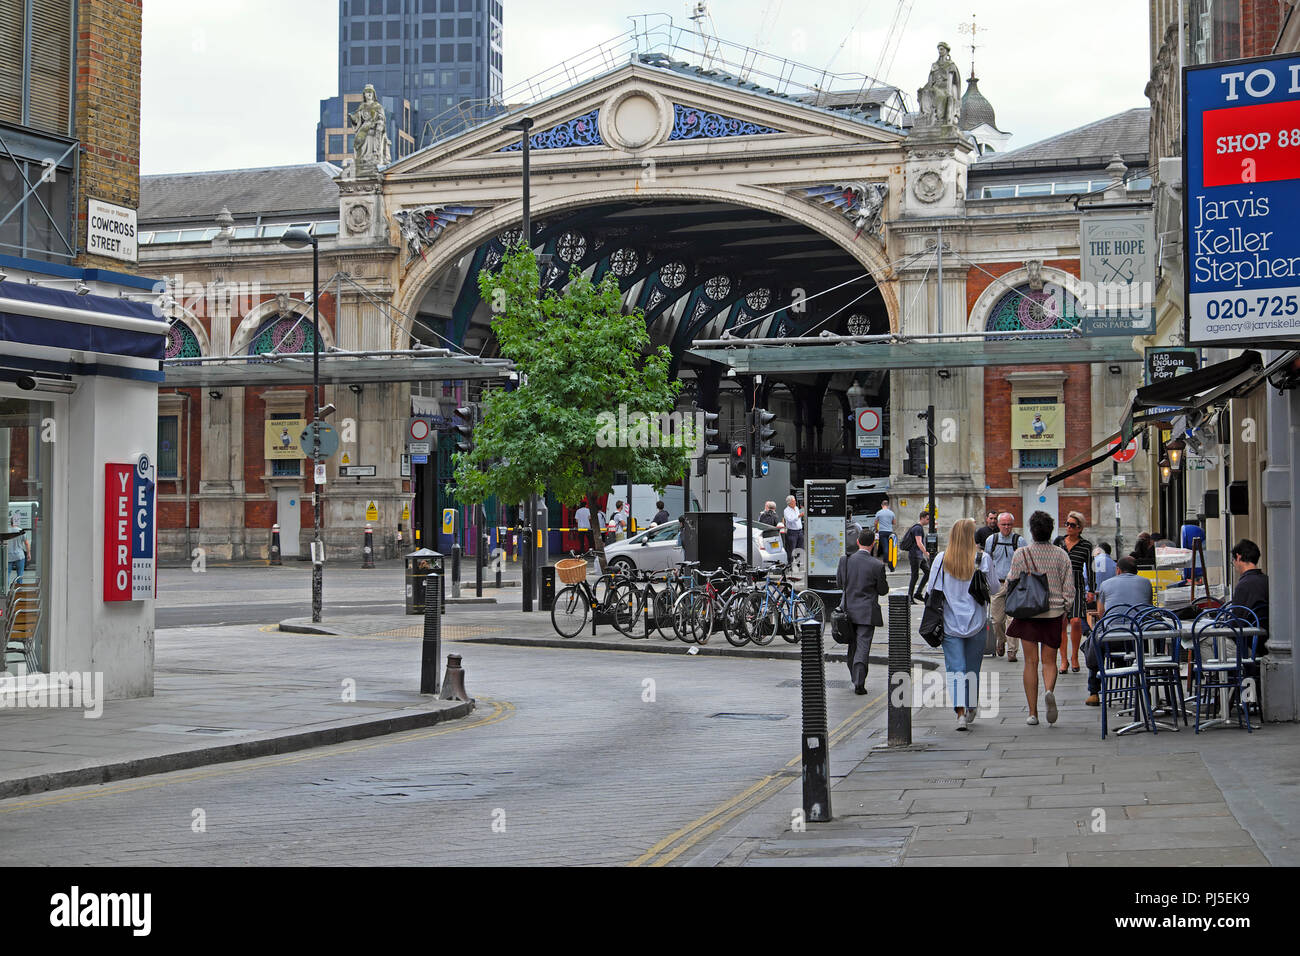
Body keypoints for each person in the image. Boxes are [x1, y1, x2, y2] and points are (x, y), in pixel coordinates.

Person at [1003, 510, 1075, 726]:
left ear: (1032, 531)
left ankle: (1032, 713)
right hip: (1053, 613)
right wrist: (1065, 609)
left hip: (1028, 613)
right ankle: (1049, 691)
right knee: (1050, 661)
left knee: (1030, 663)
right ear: (1050, 530)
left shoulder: (1021, 553)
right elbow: (1069, 589)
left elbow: (1011, 583)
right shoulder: (1062, 555)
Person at [930, 518, 996, 732]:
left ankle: (960, 714)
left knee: (955, 669)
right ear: (971, 536)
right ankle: (971, 706)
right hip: (976, 622)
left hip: (949, 623)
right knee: (972, 669)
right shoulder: (982, 558)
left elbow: (932, 590)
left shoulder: (941, 559)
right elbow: (994, 588)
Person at [1084, 556, 1154, 705]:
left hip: (1113, 640)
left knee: (1095, 640)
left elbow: (1102, 614)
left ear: (1118, 570)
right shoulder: (1146, 583)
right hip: (1140, 640)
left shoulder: (1105, 584)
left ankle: (1094, 692)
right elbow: (1148, 610)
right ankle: (1143, 686)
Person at [836, 528, 890, 695]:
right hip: (867, 612)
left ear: (858, 542)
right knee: (863, 646)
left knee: (852, 647)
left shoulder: (845, 560)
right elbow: (882, 590)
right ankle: (859, 681)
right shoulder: (877, 565)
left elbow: (840, 584)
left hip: (848, 611)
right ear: (873, 544)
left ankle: (855, 677)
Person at [1053, 511, 1095, 675]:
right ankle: (1063, 660)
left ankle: (1075, 656)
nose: (1068, 527)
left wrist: (1091, 589)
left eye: (1072, 525)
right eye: (1067, 524)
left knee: (1076, 621)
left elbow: (1091, 569)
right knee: (1061, 623)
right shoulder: (1059, 542)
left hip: (1077, 585)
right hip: (1058, 586)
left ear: (1080, 528)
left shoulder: (1086, 545)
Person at [984, 511, 1027, 661]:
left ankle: (1012, 650)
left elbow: (1025, 562)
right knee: (996, 620)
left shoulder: (1020, 541)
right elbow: (987, 561)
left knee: (1012, 619)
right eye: (1004, 524)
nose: (1006, 527)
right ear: (998, 524)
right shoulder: (991, 540)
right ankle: (1001, 640)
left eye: (1009, 524)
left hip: (1015, 585)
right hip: (997, 583)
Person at [1230, 539, 1269, 652]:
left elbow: (1236, 624)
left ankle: (1226, 670)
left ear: (1238, 557)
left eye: (1233, 560)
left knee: (1204, 639)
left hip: (1249, 646)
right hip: (1267, 640)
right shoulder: (1268, 581)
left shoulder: (1243, 586)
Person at [904, 510, 931, 603]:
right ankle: (910, 597)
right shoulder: (918, 528)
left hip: (918, 555)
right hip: (915, 555)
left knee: (928, 572)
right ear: (922, 518)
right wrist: (926, 553)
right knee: (915, 576)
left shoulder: (918, 527)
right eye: (927, 519)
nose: (928, 521)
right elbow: (919, 543)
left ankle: (918, 593)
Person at [6, 515, 29, 591]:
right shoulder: (21, 531)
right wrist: (29, 554)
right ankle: (19, 592)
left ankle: (6, 592)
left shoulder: (7, 531)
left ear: (11, 521)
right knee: (20, 575)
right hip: (19, 556)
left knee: (7, 574)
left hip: (8, 556)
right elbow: (26, 543)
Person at [873, 496, 897, 569]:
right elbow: (894, 522)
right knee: (891, 546)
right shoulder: (892, 513)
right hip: (889, 531)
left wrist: (876, 529)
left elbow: (875, 523)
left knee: (885, 546)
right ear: (888, 505)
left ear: (882, 505)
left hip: (882, 531)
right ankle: (891, 559)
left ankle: (886, 560)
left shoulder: (879, 513)